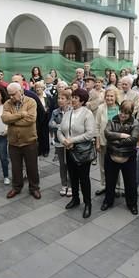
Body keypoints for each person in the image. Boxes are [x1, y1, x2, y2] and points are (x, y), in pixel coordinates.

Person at [58, 89, 97, 218]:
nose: (73, 99)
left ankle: (88, 204)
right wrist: (64, 141)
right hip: (68, 150)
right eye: (73, 97)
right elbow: (60, 130)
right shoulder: (67, 113)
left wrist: (72, 140)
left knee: (84, 178)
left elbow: (90, 133)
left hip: (82, 151)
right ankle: (75, 199)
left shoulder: (87, 114)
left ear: (82, 100)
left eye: (76, 97)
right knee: (72, 176)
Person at [102, 100, 139, 215]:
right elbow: (107, 134)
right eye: (122, 112)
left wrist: (115, 141)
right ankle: (108, 201)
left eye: (126, 113)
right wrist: (121, 135)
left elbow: (133, 139)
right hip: (111, 156)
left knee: (130, 183)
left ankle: (132, 204)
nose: (123, 115)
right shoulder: (112, 119)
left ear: (131, 114)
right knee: (110, 181)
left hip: (128, 157)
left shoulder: (135, 123)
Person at [2, 82, 40, 199]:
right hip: (13, 142)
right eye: (10, 95)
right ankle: (16, 187)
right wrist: (20, 115)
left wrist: (12, 121)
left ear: (21, 91)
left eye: (13, 94)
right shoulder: (8, 103)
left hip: (29, 141)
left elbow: (31, 119)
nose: (11, 97)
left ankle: (34, 188)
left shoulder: (31, 102)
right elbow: (4, 118)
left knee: (32, 167)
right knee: (16, 167)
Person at [95, 88, 120, 196]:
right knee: (103, 166)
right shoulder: (101, 108)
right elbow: (97, 126)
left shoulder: (120, 108)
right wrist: (97, 142)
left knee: (116, 165)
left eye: (111, 96)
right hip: (103, 142)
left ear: (115, 97)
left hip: (117, 143)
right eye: (107, 96)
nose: (109, 98)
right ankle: (105, 185)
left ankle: (116, 187)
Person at [50, 89, 71, 196]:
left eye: (62, 98)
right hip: (59, 141)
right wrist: (59, 126)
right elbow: (50, 124)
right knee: (62, 164)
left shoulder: (72, 111)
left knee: (71, 164)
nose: (60, 100)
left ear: (68, 100)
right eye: (58, 98)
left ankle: (72, 185)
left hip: (70, 141)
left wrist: (58, 125)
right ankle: (64, 184)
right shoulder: (55, 112)